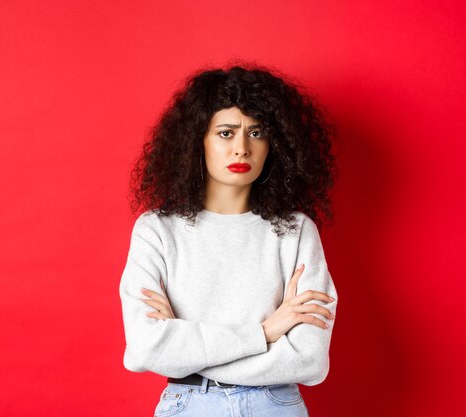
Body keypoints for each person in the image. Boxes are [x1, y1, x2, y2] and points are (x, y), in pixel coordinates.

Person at [119, 63, 339, 417]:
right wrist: (265, 332)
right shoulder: (157, 230)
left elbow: (310, 361)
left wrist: (186, 351)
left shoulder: (295, 231)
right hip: (190, 406)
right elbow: (145, 349)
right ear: (197, 140)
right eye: (225, 133)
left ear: (275, 144)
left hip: (275, 405)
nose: (241, 149)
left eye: (256, 133)